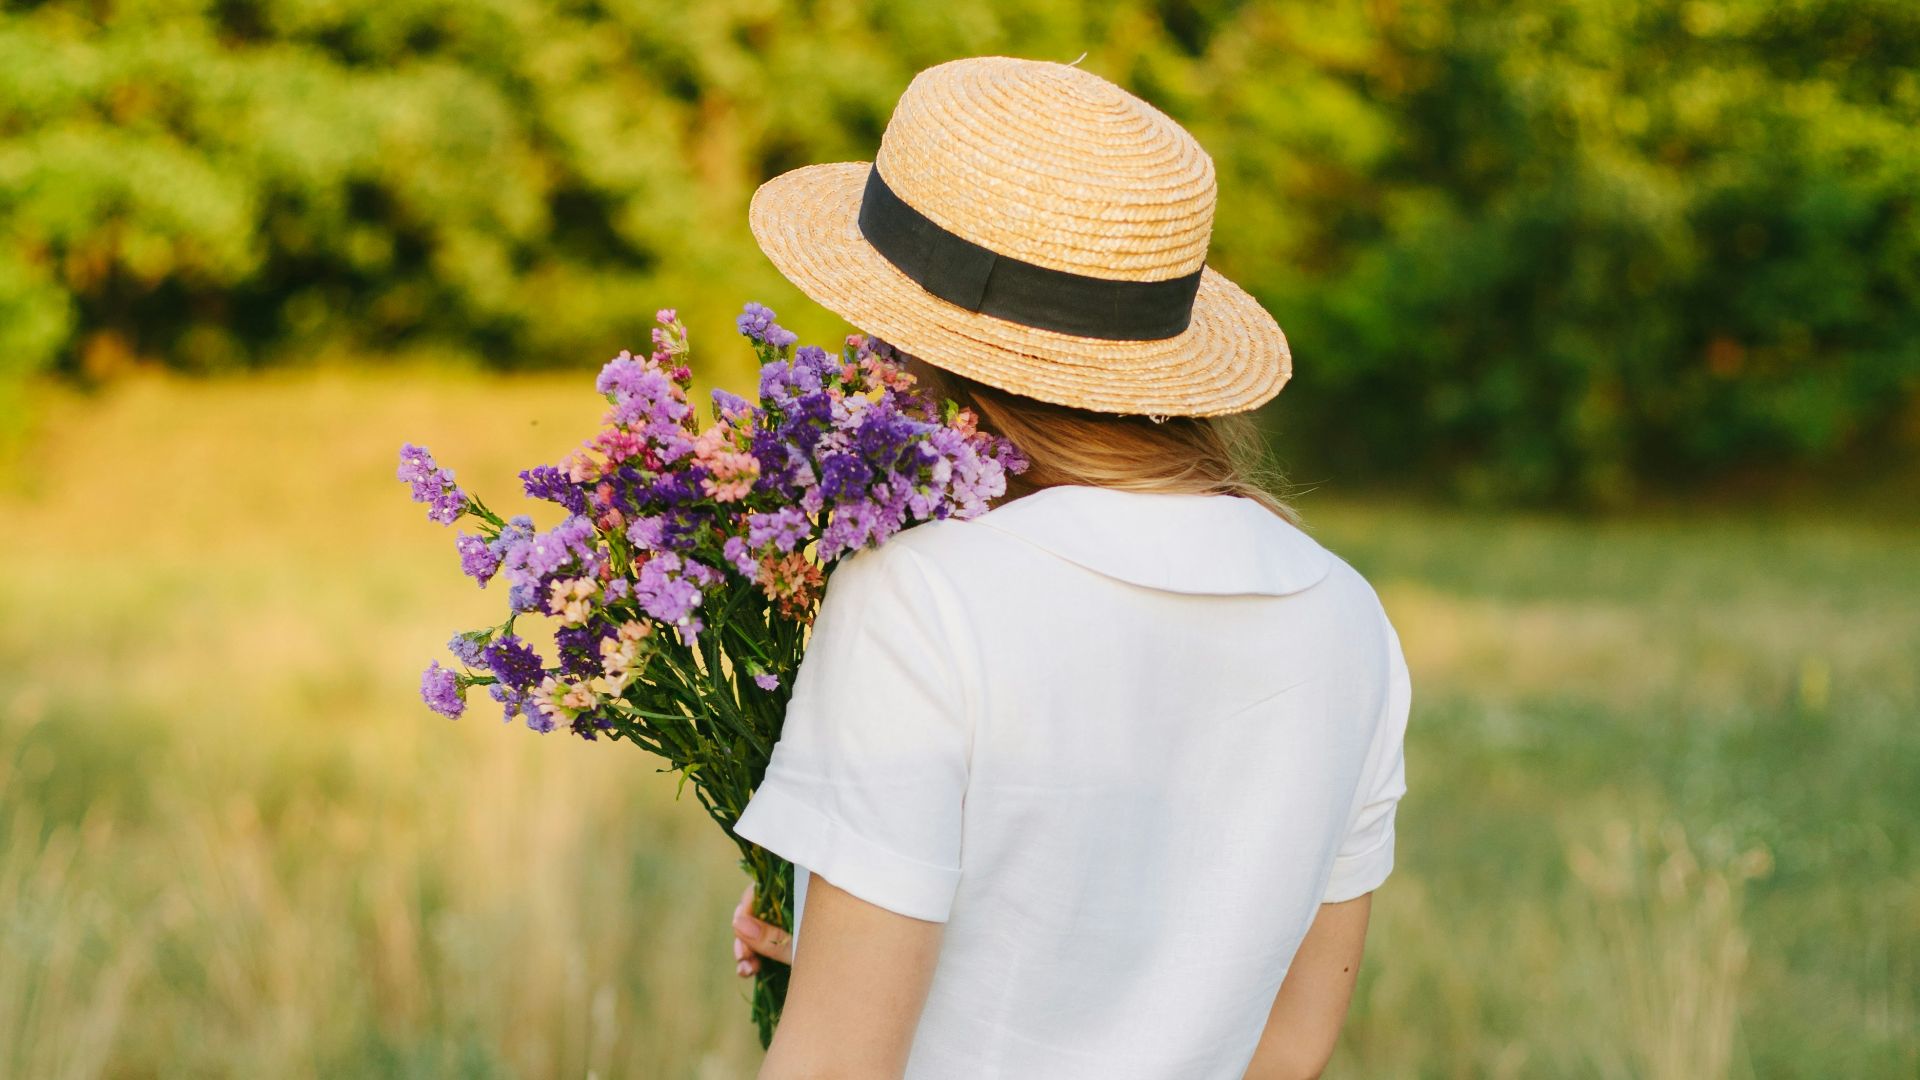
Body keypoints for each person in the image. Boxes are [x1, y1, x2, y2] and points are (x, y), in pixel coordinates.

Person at [726, 55, 1411, 1080]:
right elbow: (1290, 1044)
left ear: (917, 346)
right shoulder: (1345, 616)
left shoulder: (920, 598)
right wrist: (838, 926)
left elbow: (834, 1064)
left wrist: (843, 970)